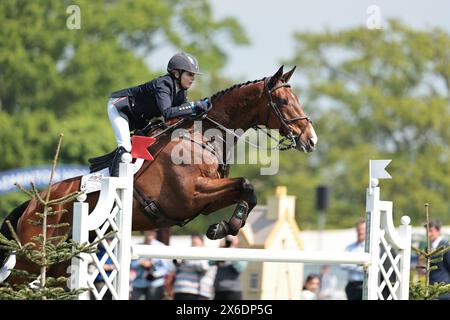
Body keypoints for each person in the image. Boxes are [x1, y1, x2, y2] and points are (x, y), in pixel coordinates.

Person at [107, 52, 210, 176]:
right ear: (177, 73)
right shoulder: (163, 84)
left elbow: (181, 113)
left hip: (140, 117)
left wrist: (199, 111)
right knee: (125, 147)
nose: (193, 78)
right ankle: (113, 182)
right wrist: (194, 106)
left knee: (146, 145)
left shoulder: (181, 91)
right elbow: (167, 113)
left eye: (194, 75)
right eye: (190, 74)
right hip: (121, 108)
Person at [130, 230, 174, 300]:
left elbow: (169, 267)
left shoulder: (161, 247)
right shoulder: (137, 246)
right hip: (138, 283)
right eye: (147, 230)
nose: (150, 233)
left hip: (155, 284)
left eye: (152, 231)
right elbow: (130, 265)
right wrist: (140, 263)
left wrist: (155, 274)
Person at [173, 234, 212, 300]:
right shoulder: (185, 253)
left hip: (197, 292)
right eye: (192, 243)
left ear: (202, 243)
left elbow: (204, 267)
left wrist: (186, 262)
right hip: (180, 290)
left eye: (195, 243)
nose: (194, 246)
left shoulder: (207, 253)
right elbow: (176, 267)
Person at [213, 235, 248, 300]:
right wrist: (220, 250)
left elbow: (241, 268)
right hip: (218, 291)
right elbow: (210, 262)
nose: (229, 241)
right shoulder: (221, 251)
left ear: (237, 239)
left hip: (233, 291)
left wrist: (231, 252)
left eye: (232, 238)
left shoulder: (240, 253)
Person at [341, 218, 365, 300]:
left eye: (363, 229)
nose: (360, 231)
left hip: (364, 285)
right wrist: (360, 265)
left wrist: (353, 264)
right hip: (351, 286)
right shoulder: (349, 247)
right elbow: (343, 264)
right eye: (359, 229)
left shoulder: (370, 248)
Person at [426, 220, 450, 300]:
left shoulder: (445, 246)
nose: (428, 234)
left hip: (443, 289)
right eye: (427, 231)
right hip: (430, 288)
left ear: (438, 231)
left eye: (431, 231)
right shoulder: (428, 248)